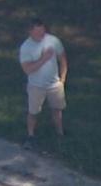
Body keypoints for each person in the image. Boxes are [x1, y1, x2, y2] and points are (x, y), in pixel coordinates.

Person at [18, 18, 68, 150]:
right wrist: (43, 59)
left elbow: (62, 59)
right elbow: (27, 69)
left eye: (43, 31)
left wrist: (62, 79)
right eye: (38, 32)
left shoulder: (53, 41)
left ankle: (60, 134)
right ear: (30, 32)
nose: (42, 34)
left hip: (54, 84)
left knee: (57, 110)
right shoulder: (26, 47)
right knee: (33, 112)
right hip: (36, 85)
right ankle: (31, 136)